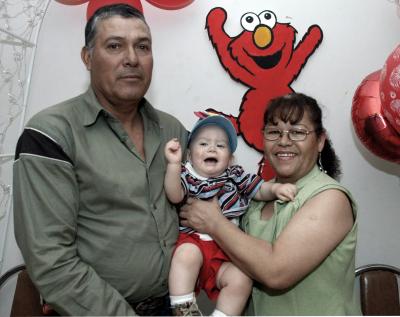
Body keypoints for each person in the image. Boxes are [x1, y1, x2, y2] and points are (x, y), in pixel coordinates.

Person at [13, 3, 187, 316]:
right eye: (115, 46)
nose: (132, 58)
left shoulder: (172, 130)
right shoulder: (52, 133)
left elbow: (198, 206)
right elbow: (50, 260)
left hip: (169, 306)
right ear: (87, 57)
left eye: (143, 46)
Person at [179, 93, 362, 315]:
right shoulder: (256, 196)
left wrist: (214, 223)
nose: (284, 141)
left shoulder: (330, 198)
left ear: (320, 141)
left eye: (297, 132)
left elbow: (276, 272)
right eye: (274, 132)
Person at [164, 114, 297, 316]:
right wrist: (173, 165)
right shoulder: (188, 175)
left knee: (241, 278)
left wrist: (276, 189)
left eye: (220, 146)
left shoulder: (235, 176)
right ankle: (183, 309)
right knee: (185, 256)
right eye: (203, 143)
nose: (212, 148)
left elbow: (259, 189)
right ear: (190, 155)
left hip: (226, 249)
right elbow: (174, 195)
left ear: (230, 159)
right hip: (194, 241)